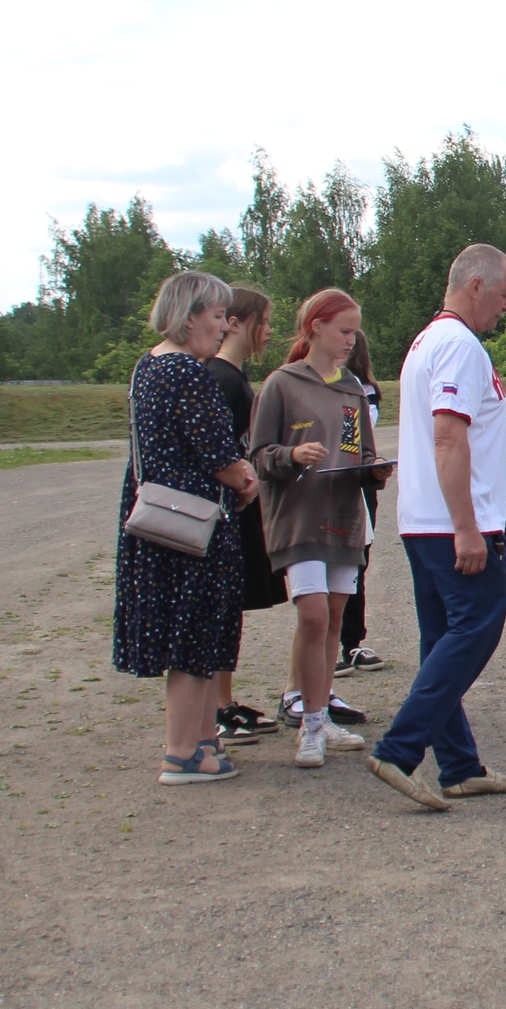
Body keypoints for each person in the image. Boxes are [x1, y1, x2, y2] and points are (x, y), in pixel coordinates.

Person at [366, 243, 506, 809]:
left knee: (442, 639)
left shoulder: (427, 341)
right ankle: (398, 750)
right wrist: (468, 527)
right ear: (477, 285)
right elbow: (447, 435)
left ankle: (459, 766)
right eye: (505, 295)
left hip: (422, 519)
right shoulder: (459, 345)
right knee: (477, 625)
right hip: (451, 522)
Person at [113, 270, 261, 785]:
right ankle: (182, 751)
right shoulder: (187, 374)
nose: (223, 327)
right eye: (218, 316)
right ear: (190, 315)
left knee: (192, 637)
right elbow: (219, 455)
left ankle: (202, 744)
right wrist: (247, 480)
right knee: (195, 636)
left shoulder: (147, 368)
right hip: (194, 526)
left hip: (158, 518)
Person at [249, 288, 394, 769]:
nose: (352, 340)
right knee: (312, 616)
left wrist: (374, 470)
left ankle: (320, 712)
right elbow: (259, 455)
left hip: (344, 520)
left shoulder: (353, 389)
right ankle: (308, 726)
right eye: (344, 330)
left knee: (333, 618)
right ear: (315, 327)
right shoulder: (282, 384)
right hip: (298, 520)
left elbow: (359, 451)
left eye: (355, 331)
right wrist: (291, 456)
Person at [204, 286, 286, 747]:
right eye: (263, 321)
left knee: (230, 608)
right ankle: (217, 709)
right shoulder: (220, 377)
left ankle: (224, 701)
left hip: (239, 507)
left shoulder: (234, 376)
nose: (269, 331)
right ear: (234, 323)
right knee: (221, 608)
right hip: (227, 510)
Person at [333, 328, 388, 676]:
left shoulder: (365, 391)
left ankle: (351, 642)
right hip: (328, 481)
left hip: (358, 481)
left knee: (357, 561)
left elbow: (355, 438)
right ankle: (333, 642)